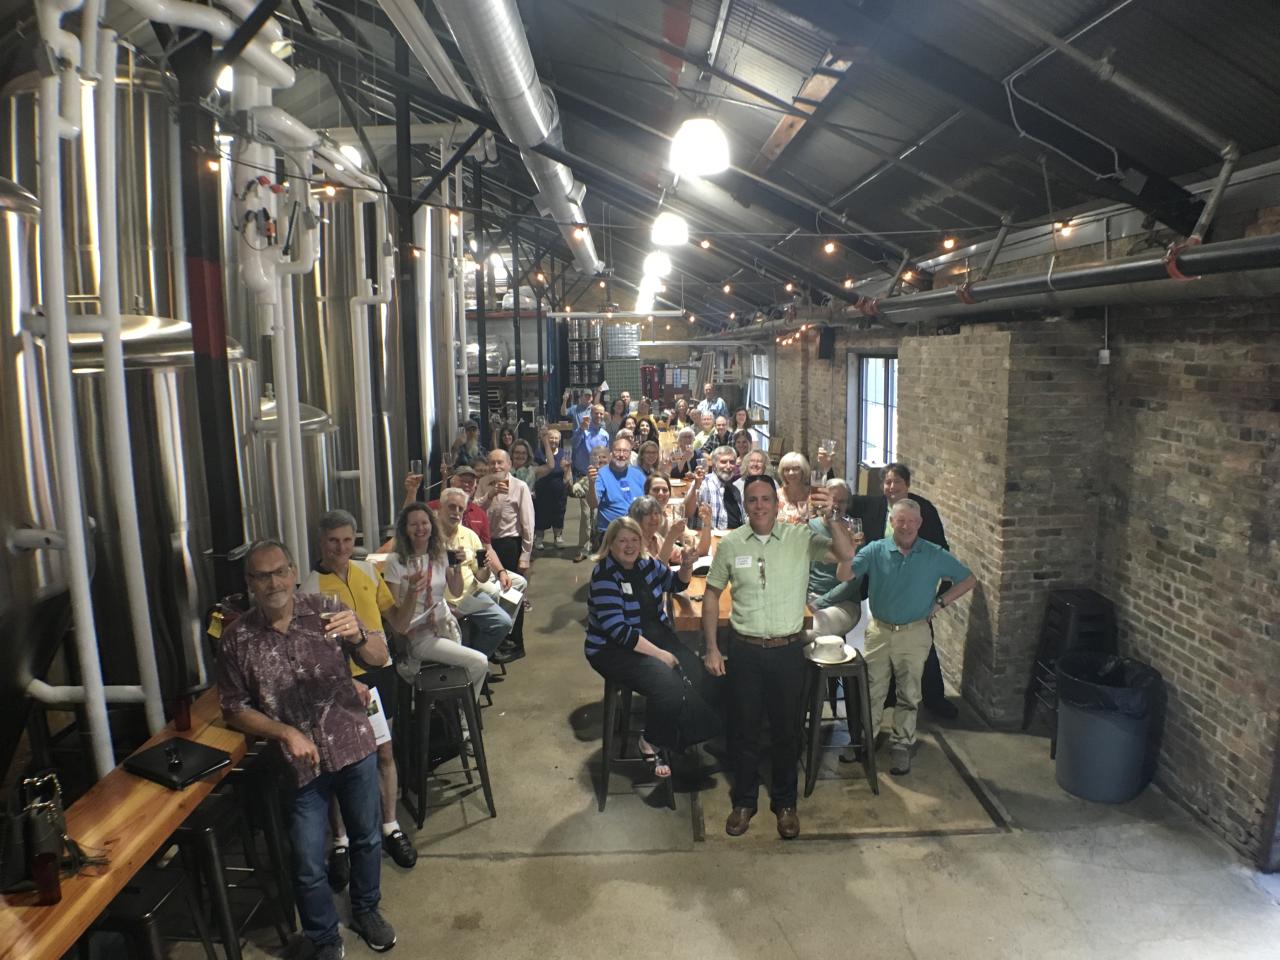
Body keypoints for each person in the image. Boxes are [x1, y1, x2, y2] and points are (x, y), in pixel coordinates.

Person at [216, 539, 396, 958]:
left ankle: (367, 909)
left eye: (279, 571)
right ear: (249, 584)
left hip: (352, 743)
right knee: (309, 860)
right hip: (300, 765)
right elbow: (233, 709)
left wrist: (357, 637)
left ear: (294, 572)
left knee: (367, 837)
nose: (273, 582)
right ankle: (324, 937)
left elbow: (380, 656)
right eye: (261, 576)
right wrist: (283, 732)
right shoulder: (237, 638)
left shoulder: (326, 609)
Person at [702, 475, 856, 840]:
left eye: (765, 499)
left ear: (776, 502)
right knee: (744, 730)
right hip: (745, 649)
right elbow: (711, 594)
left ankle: (785, 803)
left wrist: (832, 515)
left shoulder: (799, 538)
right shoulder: (731, 544)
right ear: (746, 503)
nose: (759, 506)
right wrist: (711, 647)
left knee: (787, 731)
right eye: (752, 499)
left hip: (787, 650)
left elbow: (847, 555)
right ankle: (744, 801)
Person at [300, 511, 417, 883]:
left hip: (377, 674)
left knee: (384, 751)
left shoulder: (367, 572)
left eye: (348, 540)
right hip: (336, 686)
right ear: (321, 542)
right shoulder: (309, 589)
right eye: (334, 541)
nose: (341, 548)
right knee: (338, 765)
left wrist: (414, 591)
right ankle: (341, 842)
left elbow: (396, 622)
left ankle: (390, 826)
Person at [847, 498, 976, 775]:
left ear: (919, 524)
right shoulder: (875, 550)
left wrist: (940, 603)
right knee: (872, 690)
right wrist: (849, 549)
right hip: (879, 631)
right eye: (900, 520)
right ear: (891, 522)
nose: (905, 526)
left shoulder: (933, 554)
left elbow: (967, 579)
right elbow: (845, 573)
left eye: (911, 521)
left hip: (914, 633)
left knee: (909, 693)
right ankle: (864, 740)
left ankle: (902, 743)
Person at [585, 517, 721, 777]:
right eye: (622, 540)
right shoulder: (604, 575)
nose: (629, 545)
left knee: (699, 673)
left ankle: (684, 735)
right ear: (610, 544)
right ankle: (650, 740)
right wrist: (661, 655)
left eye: (634, 540)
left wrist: (686, 567)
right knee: (668, 684)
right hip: (611, 650)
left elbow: (676, 584)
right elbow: (619, 631)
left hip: (653, 637)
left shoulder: (647, 565)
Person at [850, 462, 958, 720]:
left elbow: (940, 547)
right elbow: (844, 500)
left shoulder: (923, 510)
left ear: (907, 485)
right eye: (887, 482)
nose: (891, 487)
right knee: (883, 642)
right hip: (884, 587)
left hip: (915, 589)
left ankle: (933, 696)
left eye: (897, 482)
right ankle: (886, 695)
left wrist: (938, 595)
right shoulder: (874, 506)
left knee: (924, 643)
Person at [381, 502, 488, 697]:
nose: (420, 528)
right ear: (405, 529)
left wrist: (457, 566)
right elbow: (394, 611)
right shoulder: (395, 562)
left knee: (465, 667)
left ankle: (453, 709)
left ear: (432, 525)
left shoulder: (440, 555)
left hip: (445, 626)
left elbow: (455, 591)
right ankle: (463, 715)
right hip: (418, 634)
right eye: (414, 524)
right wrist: (413, 592)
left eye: (425, 522)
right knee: (479, 662)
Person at [435, 487, 515, 661]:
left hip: (470, 598)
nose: (456, 513)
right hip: (441, 601)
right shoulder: (429, 536)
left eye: (460, 509)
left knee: (503, 622)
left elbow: (481, 577)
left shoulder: (469, 535)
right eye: (451, 507)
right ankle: (470, 664)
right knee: (453, 642)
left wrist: (485, 567)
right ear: (440, 508)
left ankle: (475, 661)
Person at [478, 449, 534, 659]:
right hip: (485, 544)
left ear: (509, 465)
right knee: (490, 594)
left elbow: (528, 523)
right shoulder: (483, 484)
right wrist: (489, 495)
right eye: (492, 463)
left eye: (500, 463)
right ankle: (497, 640)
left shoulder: (520, 487)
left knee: (511, 594)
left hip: (509, 544)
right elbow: (473, 510)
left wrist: (525, 555)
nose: (496, 467)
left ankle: (516, 643)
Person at [805, 479, 862, 641]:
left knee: (810, 632)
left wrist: (818, 604)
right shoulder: (811, 527)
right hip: (809, 597)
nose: (836, 505)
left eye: (842, 501)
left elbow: (852, 583)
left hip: (843, 603)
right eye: (833, 500)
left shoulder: (855, 532)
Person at [588, 435, 647, 546]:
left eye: (625, 451)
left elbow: (649, 499)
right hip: (611, 533)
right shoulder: (602, 474)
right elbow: (593, 503)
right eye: (617, 451)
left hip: (637, 530)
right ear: (611, 453)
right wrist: (591, 483)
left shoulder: (638, 473)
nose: (621, 455)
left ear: (630, 454)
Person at [684, 446, 744, 531]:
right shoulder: (703, 484)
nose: (728, 466)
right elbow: (686, 513)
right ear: (714, 464)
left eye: (732, 462)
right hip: (710, 539)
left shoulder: (735, 490)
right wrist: (696, 486)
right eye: (723, 462)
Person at [532, 428, 571, 549]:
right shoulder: (538, 453)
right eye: (551, 438)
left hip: (559, 491)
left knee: (559, 514)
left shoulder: (564, 453)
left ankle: (558, 537)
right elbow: (534, 473)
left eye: (556, 438)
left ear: (559, 440)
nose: (553, 440)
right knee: (540, 515)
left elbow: (568, 474)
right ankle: (539, 539)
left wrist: (566, 473)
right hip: (542, 491)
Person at [570, 444, 610, 562]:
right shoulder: (588, 476)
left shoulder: (612, 475)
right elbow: (574, 489)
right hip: (589, 499)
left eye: (603, 457)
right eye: (597, 457)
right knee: (586, 516)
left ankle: (602, 546)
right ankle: (583, 548)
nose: (600, 460)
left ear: (609, 459)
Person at [570, 405, 610, 478]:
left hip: (599, 476)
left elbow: (606, 455)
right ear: (591, 414)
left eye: (601, 414)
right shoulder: (582, 430)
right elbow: (573, 445)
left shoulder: (605, 434)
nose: (599, 415)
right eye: (596, 413)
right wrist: (581, 430)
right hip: (583, 476)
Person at [776, 451, 814, 524]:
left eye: (795, 469)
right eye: (787, 469)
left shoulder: (813, 494)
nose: (791, 473)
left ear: (803, 471)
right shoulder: (776, 495)